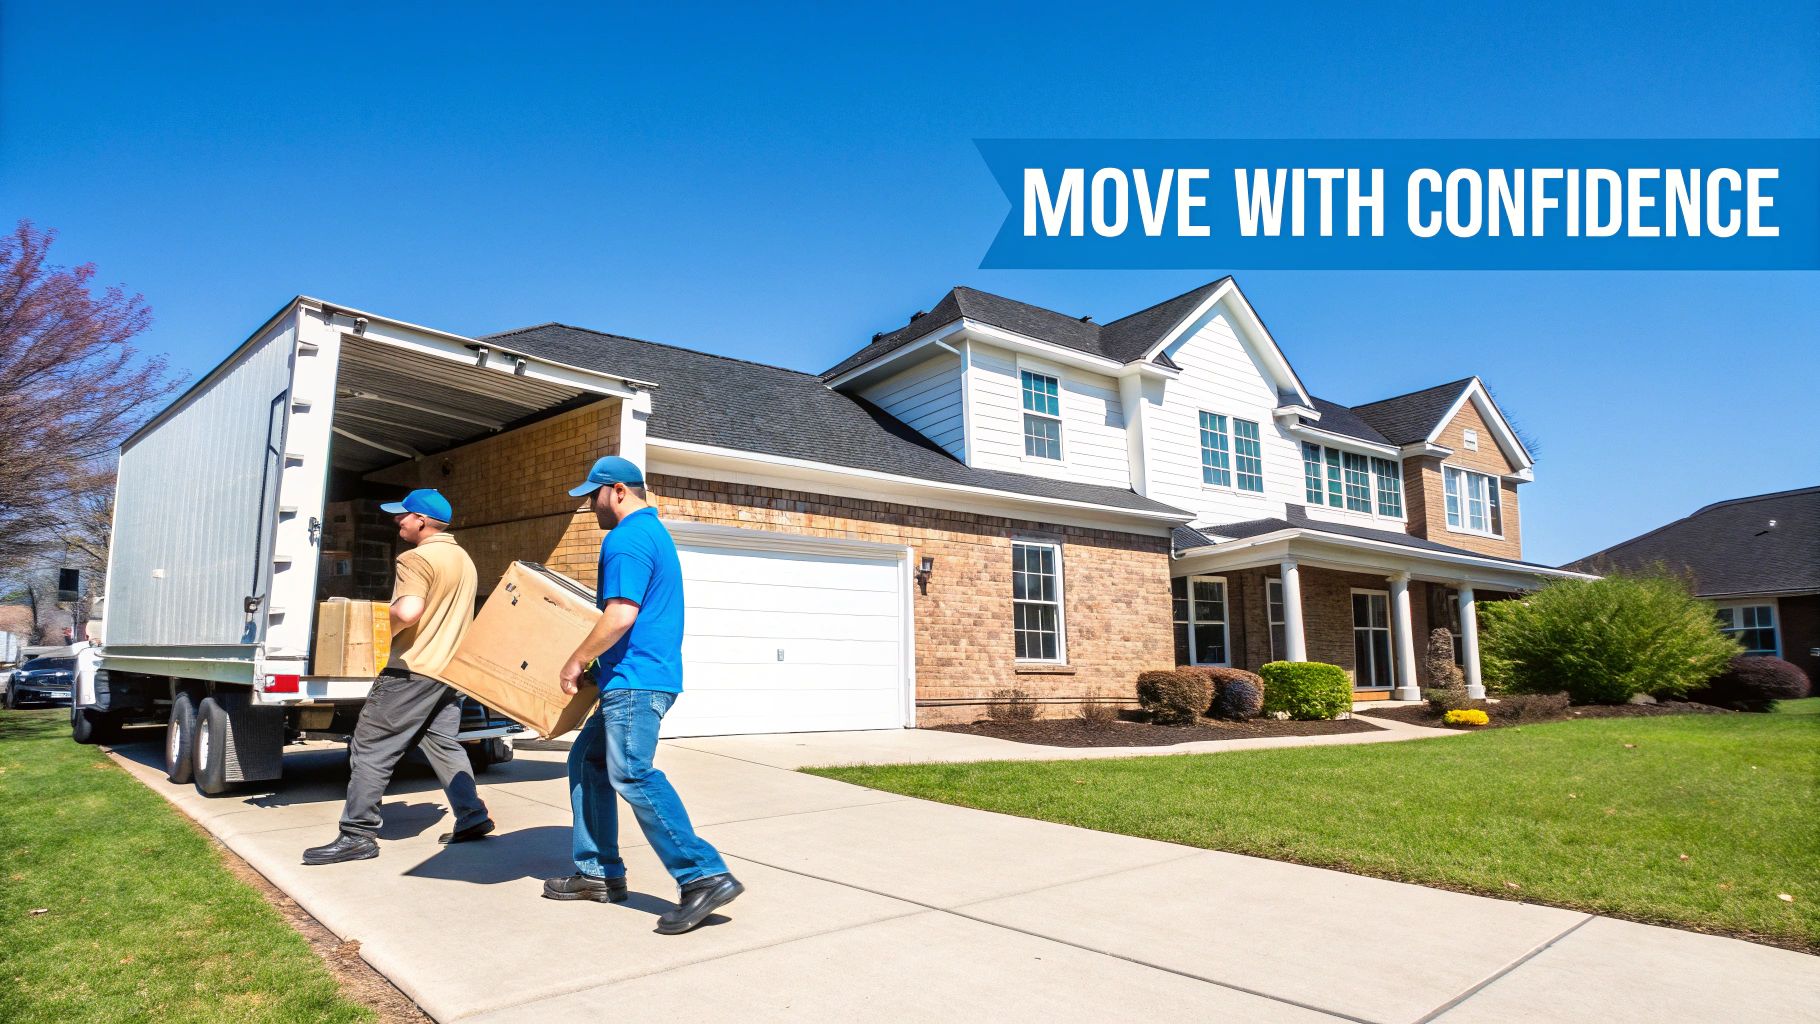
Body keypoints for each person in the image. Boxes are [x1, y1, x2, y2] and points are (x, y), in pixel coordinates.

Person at [544, 456, 743, 934]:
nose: (590, 506)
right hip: (634, 677)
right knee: (587, 763)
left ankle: (702, 874)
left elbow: (620, 616)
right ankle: (597, 874)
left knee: (630, 772)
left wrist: (576, 660)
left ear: (617, 491)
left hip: (635, 682)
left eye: (593, 496)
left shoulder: (626, 538)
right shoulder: (654, 534)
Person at [303, 488, 493, 865]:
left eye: (403, 515)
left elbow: (408, 611)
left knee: (370, 747)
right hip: (448, 673)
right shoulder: (463, 559)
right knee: (443, 744)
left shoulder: (416, 558)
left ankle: (357, 833)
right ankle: (472, 816)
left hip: (412, 671)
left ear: (421, 520)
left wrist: (372, 626)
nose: (397, 521)